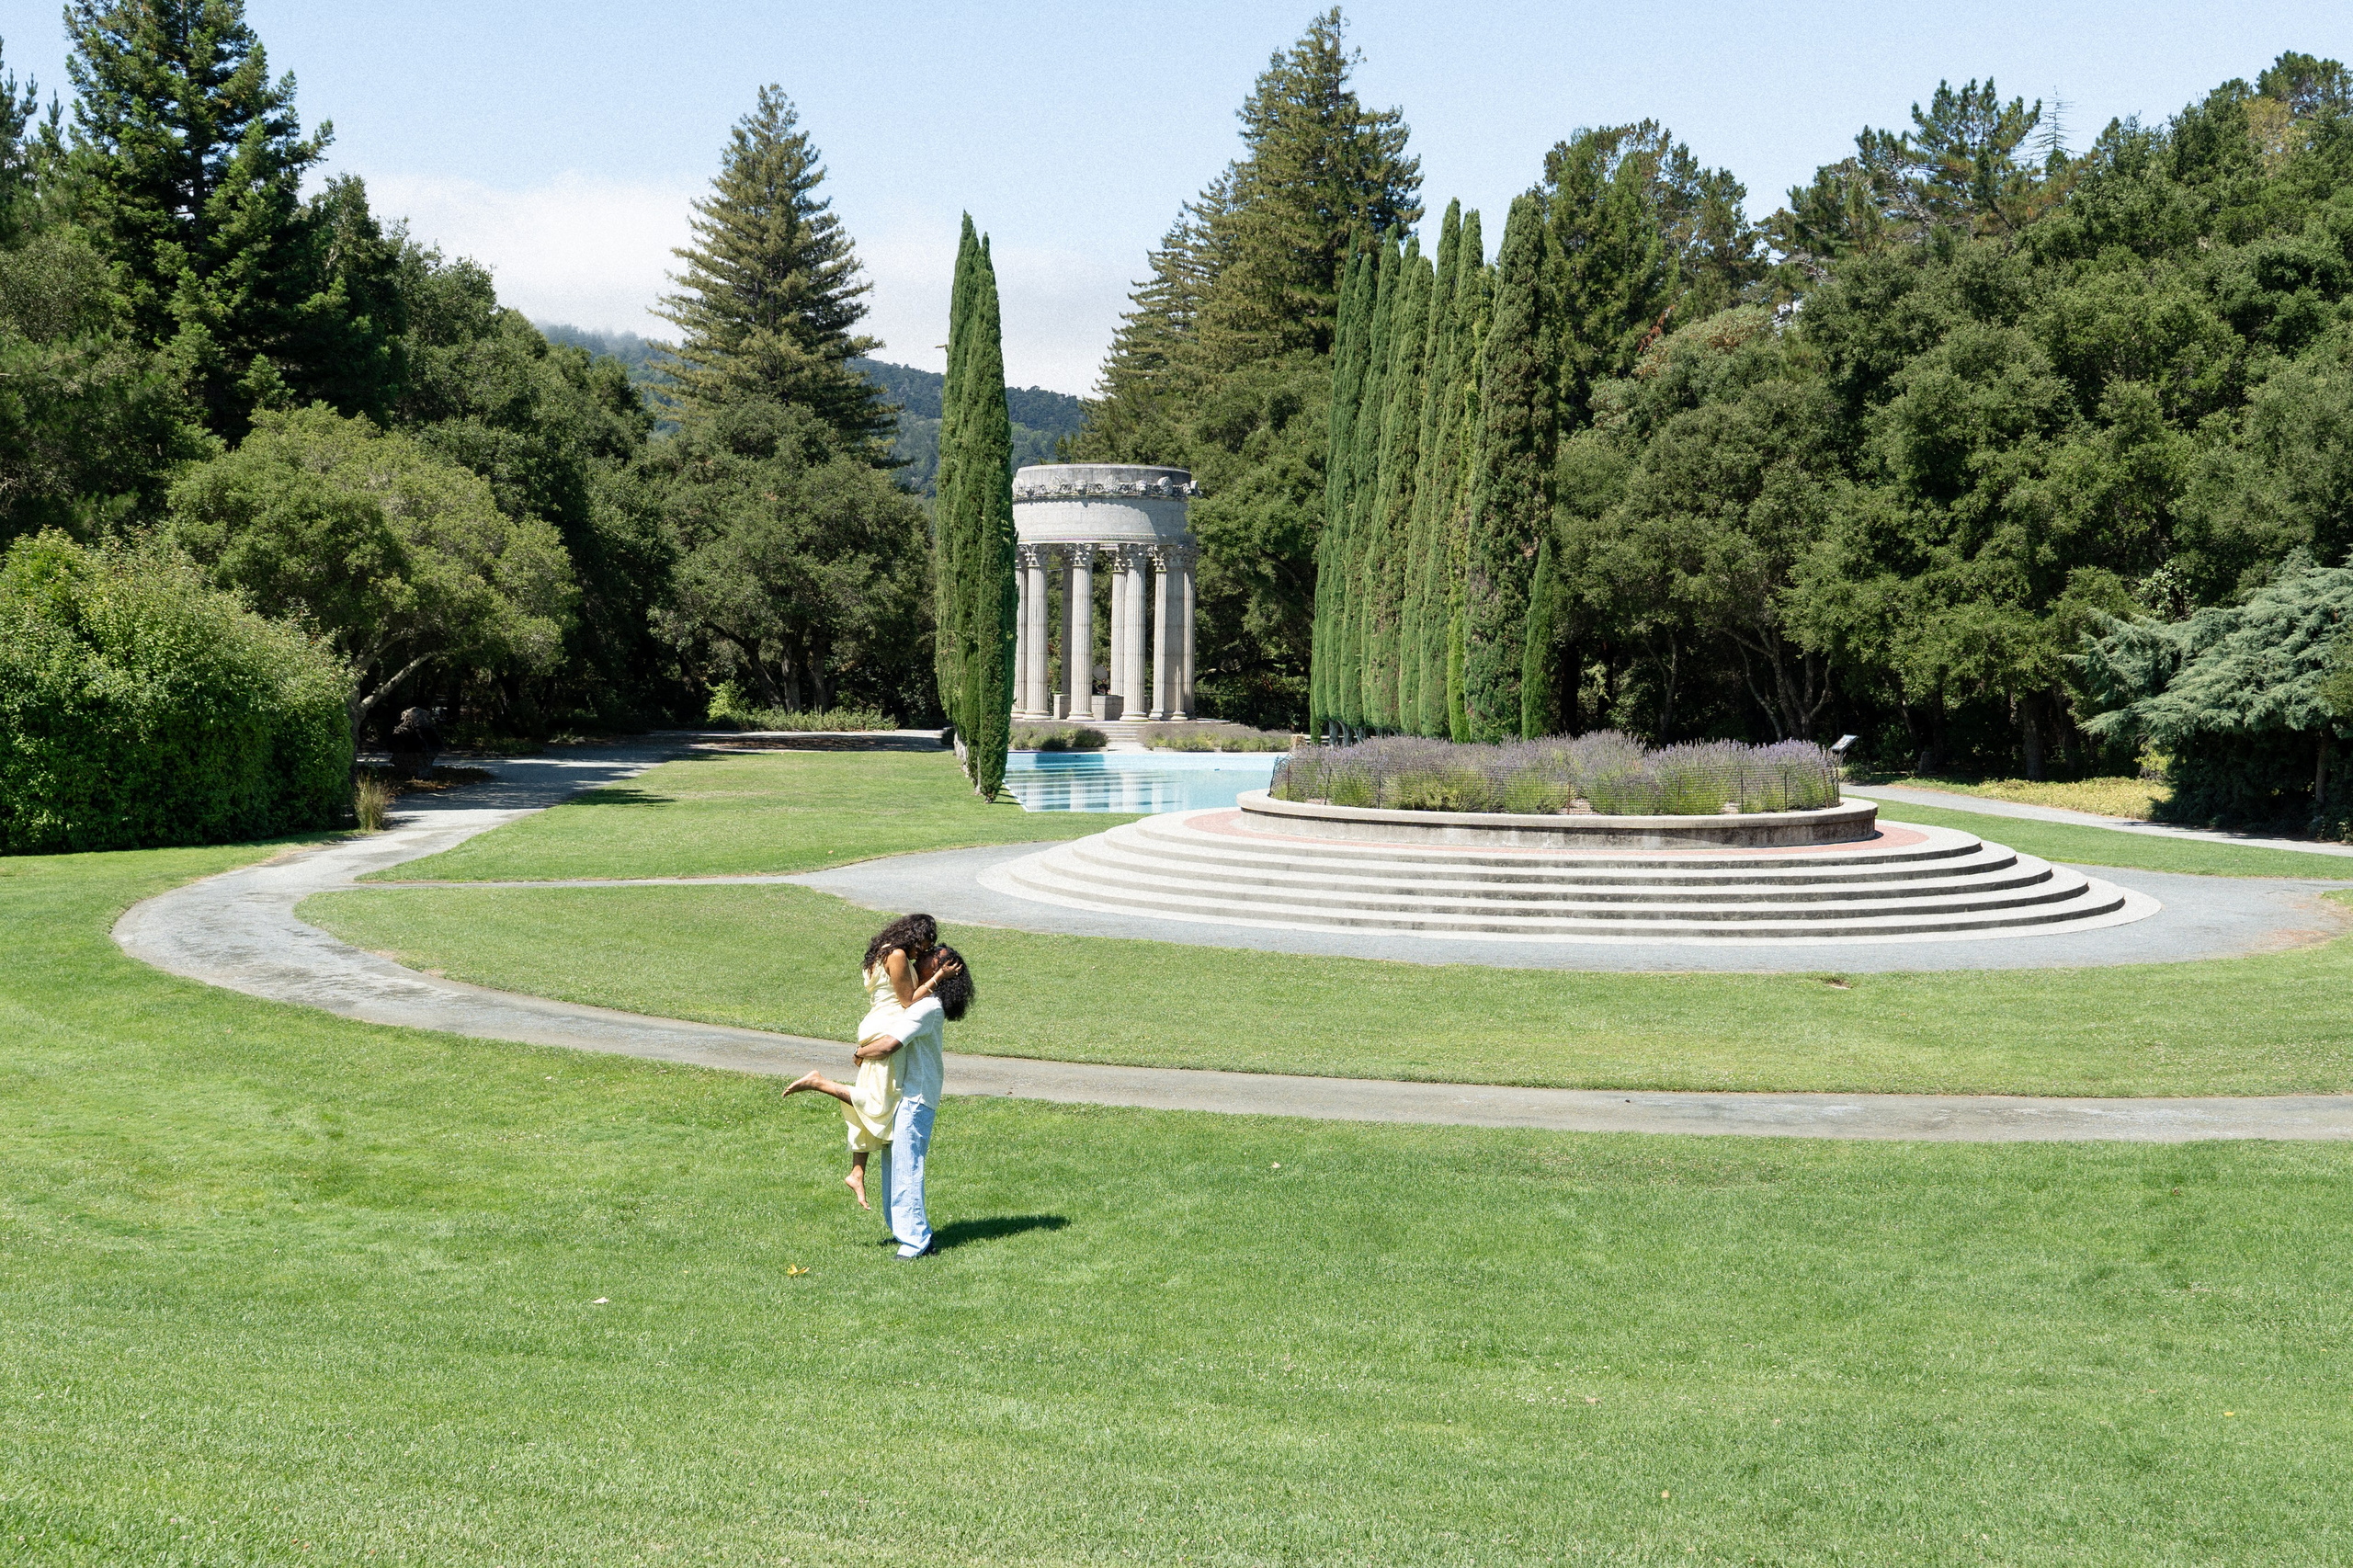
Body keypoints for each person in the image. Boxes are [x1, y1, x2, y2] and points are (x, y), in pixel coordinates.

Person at [785, 915, 957, 1208]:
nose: (921, 954)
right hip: (888, 1030)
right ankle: (818, 1082)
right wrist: (938, 978)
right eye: (922, 946)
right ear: (914, 936)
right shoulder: (899, 954)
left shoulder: (882, 950)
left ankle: (857, 1172)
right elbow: (906, 1002)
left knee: (872, 1096)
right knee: (879, 1102)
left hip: (875, 1025)